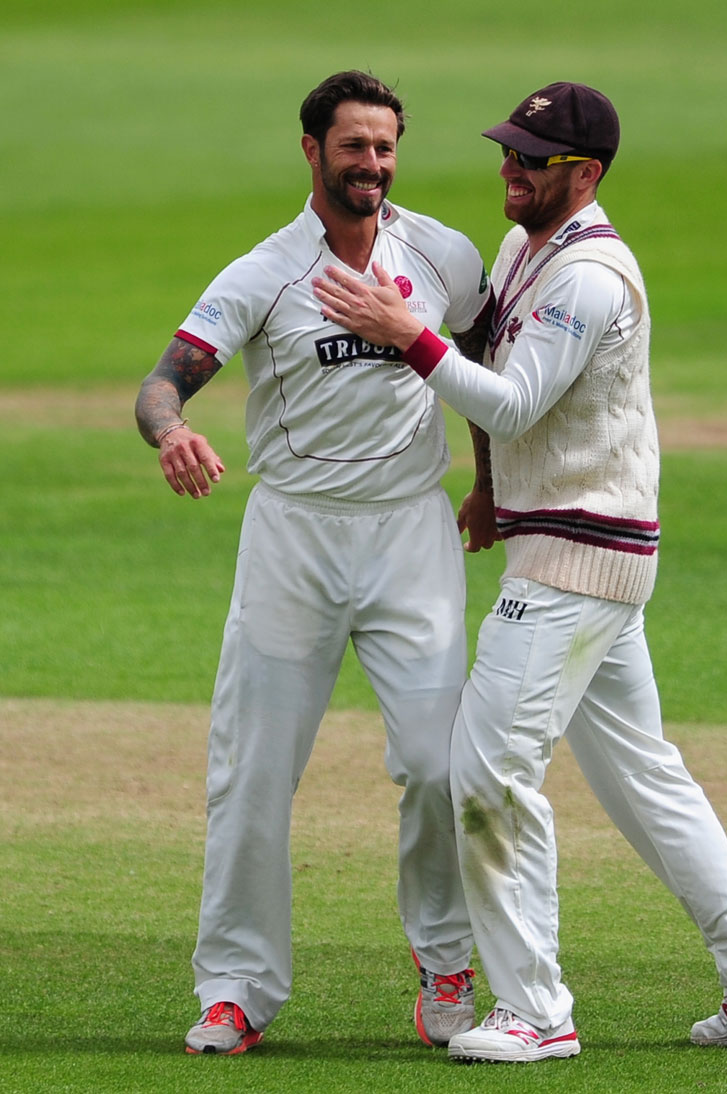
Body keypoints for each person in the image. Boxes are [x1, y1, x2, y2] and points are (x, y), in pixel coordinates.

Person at [312, 81, 727, 1063]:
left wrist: (400, 332)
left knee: (484, 771)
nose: (509, 167)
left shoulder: (591, 276)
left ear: (583, 176)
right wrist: (492, 487)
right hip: (576, 549)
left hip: (579, 564)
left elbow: (510, 399)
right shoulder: (521, 246)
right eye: (508, 149)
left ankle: (536, 1008)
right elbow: (492, 367)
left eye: (531, 159)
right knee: (645, 778)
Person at [135, 70, 496, 1056]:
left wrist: (490, 481)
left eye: (385, 147)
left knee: (436, 764)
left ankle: (446, 960)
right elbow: (163, 384)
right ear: (312, 151)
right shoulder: (265, 272)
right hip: (292, 535)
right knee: (253, 768)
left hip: (409, 534)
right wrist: (170, 434)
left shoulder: (443, 254)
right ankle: (237, 986)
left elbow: (484, 373)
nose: (372, 165)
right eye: (353, 147)